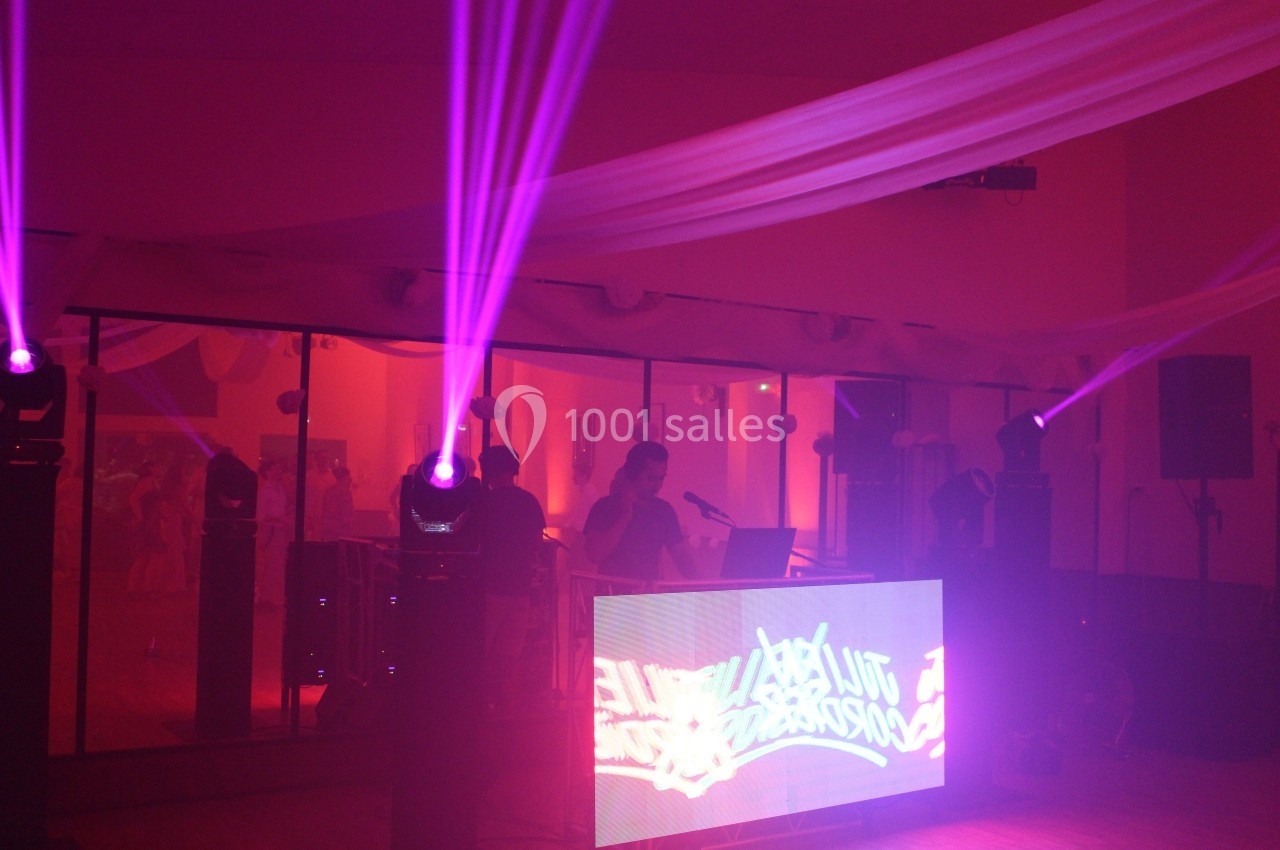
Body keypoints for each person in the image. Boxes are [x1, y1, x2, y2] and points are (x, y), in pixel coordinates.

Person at [469, 445, 546, 711]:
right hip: (520, 587)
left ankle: (479, 707)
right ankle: (507, 709)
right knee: (511, 656)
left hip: (489, 587)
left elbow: (472, 539)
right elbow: (536, 544)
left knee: (480, 652)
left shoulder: (483, 502)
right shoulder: (529, 501)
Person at [583, 441, 695, 582]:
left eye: (661, 478)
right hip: (611, 594)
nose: (657, 485)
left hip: (647, 594)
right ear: (633, 474)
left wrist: (707, 585)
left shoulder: (664, 511)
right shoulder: (604, 507)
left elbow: (681, 557)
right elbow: (594, 554)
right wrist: (624, 518)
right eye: (651, 478)